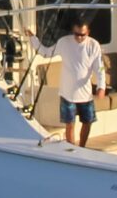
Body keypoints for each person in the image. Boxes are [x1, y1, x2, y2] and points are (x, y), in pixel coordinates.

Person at [26, 17, 105, 146]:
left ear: (88, 32)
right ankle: (71, 148)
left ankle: (82, 147)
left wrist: (101, 86)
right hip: (67, 93)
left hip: (86, 94)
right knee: (70, 124)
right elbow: (46, 53)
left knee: (88, 122)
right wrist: (33, 39)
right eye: (76, 34)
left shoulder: (93, 45)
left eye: (82, 35)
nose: (79, 37)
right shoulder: (64, 42)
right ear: (72, 32)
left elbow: (99, 68)